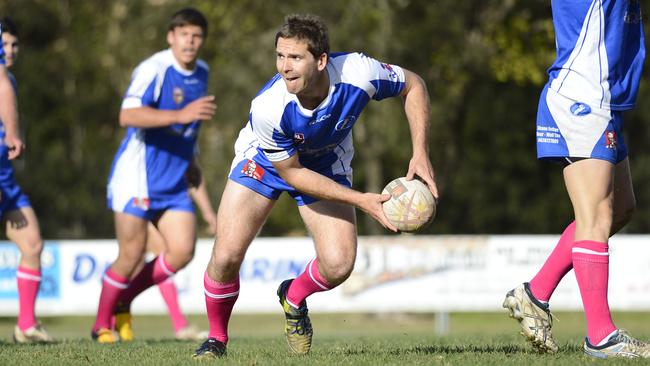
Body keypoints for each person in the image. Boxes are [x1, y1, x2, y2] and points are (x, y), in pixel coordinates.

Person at [192, 13, 438, 359]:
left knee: (338, 264)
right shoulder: (268, 107)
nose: (284, 67)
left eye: (295, 58)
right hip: (266, 161)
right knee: (226, 255)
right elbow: (291, 173)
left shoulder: (359, 73)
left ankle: (293, 296)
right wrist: (361, 201)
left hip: (324, 161)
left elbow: (413, 84)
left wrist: (420, 153)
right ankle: (216, 339)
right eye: (280, 56)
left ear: (321, 60)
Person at [503, 0, 648, 359]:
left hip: (604, 100)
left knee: (620, 209)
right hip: (583, 97)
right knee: (596, 217)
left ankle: (535, 293)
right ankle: (601, 335)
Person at [91, 7, 217, 343]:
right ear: (171, 37)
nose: (190, 42)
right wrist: (181, 114)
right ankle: (101, 324)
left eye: (197, 36)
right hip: (137, 179)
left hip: (174, 182)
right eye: (184, 35)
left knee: (182, 251)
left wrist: (206, 206)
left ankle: (125, 299)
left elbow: (190, 136)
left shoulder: (202, 71)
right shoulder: (155, 68)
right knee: (130, 255)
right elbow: (127, 115)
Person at [0, 17, 53, 344]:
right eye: (3, 44)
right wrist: (15, 135)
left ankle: (26, 325)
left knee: (32, 243)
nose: (9, 50)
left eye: (13, 44)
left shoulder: (10, 81)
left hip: (6, 183)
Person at [140, 161, 216, 341]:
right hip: (145, 198)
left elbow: (193, 174)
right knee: (135, 260)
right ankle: (112, 313)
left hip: (171, 202)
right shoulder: (149, 138)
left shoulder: (186, 135)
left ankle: (179, 325)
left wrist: (207, 213)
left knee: (162, 257)